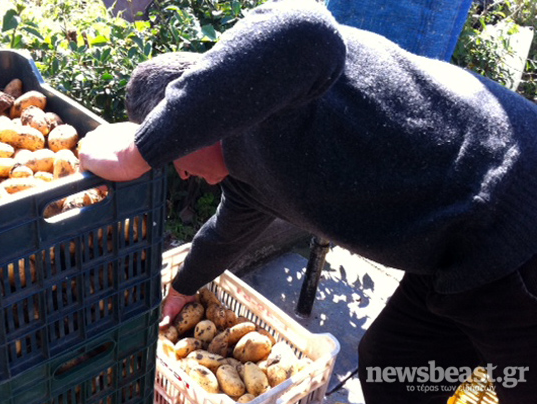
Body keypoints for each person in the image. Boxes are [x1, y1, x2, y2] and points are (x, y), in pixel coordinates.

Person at [78, 0, 537, 402]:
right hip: (450, 254)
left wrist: (135, 154)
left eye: (173, 150)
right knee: (392, 364)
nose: (179, 169)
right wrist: (180, 291)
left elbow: (306, 26)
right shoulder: (245, 172)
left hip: (510, 219)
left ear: (198, 118)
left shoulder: (279, 89)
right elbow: (227, 232)